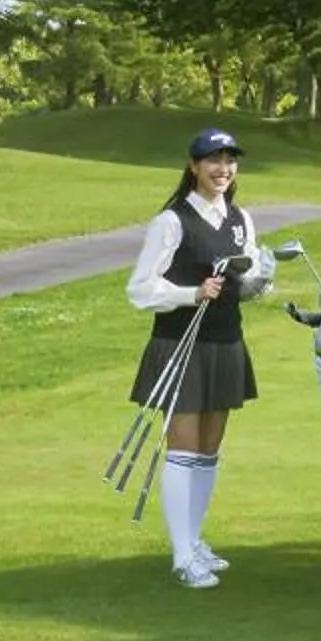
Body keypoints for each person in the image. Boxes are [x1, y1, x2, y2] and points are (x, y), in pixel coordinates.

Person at [125, 127, 272, 589]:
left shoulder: (241, 218)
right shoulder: (171, 222)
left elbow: (242, 282)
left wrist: (261, 280)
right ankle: (183, 554)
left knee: (208, 451)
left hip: (226, 343)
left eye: (230, 160)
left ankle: (195, 539)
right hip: (179, 345)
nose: (223, 168)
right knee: (184, 450)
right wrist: (191, 292)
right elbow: (140, 289)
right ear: (193, 166)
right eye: (213, 160)